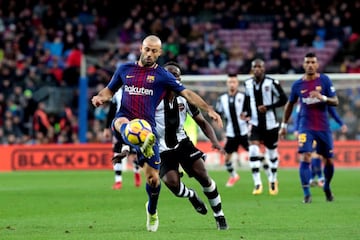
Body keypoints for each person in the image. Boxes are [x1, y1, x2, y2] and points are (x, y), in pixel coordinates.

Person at [91, 35, 223, 232]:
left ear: (159, 53)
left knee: (153, 181)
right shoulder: (124, 69)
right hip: (126, 120)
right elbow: (109, 91)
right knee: (120, 122)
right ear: (141, 48)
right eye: (147, 49)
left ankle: (152, 211)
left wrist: (208, 109)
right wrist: (100, 97)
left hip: (149, 129)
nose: (150, 54)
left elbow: (187, 93)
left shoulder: (162, 75)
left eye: (154, 51)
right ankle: (134, 138)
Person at [157, 62, 228, 230]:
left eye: (177, 77)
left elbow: (202, 123)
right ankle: (191, 195)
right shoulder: (153, 100)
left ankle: (220, 216)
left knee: (203, 176)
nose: (175, 80)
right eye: (171, 76)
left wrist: (215, 142)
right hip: (162, 148)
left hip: (183, 144)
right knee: (173, 184)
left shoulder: (185, 99)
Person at [279, 52, 339, 203]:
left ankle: (326, 186)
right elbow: (289, 104)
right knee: (305, 156)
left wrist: (323, 98)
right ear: (304, 65)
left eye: (313, 62)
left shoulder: (325, 80)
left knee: (329, 160)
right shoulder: (298, 85)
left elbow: (335, 101)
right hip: (306, 126)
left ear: (317, 65)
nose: (310, 65)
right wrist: (284, 125)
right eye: (308, 62)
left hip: (323, 127)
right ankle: (306, 193)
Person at [243, 58, 287, 195]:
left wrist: (268, 107)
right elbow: (247, 100)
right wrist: (246, 113)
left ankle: (273, 180)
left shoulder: (272, 82)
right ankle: (257, 183)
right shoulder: (248, 83)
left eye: (259, 67)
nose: (257, 69)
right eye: (254, 67)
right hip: (255, 123)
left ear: (264, 68)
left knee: (272, 153)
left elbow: (284, 99)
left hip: (270, 124)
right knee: (253, 150)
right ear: (252, 69)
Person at [293, 106, 347, 188]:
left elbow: (331, 110)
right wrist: (296, 129)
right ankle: (318, 178)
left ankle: (315, 178)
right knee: (312, 155)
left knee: (319, 155)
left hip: (321, 130)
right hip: (308, 131)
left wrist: (341, 123)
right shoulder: (302, 101)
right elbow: (298, 116)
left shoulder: (321, 98)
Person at [103, 88, 141, 190]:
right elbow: (111, 111)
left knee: (133, 154)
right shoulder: (117, 94)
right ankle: (118, 181)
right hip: (118, 126)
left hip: (133, 126)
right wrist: (106, 128)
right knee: (116, 151)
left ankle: (137, 172)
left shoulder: (136, 91)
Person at [215, 74, 249, 187]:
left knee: (256, 154)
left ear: (237, 83)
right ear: (227, 83)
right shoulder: (222, 99)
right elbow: (218, 114)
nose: (232, 84)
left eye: (234, 82)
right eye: (230, 82)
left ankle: (268, 176)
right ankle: (234, 176)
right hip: (231, 133)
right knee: (227, 158)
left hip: (245, 132)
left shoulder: (244, 97)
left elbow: (250, 112)